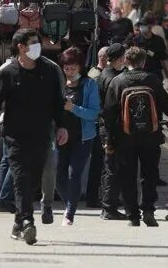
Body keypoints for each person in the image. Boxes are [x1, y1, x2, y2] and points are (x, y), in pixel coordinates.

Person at [0, 29, 69, 245]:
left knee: (31, 182)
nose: (37, 45)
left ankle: (19, 222)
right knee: (21, 178)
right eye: (33, 42)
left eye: (38, 42)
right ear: (21, 46)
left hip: (41, 135)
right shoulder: (8, 73)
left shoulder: (48, 70)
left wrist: (62, 126)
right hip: (15, 137)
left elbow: (57, 102)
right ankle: (28, 221)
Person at [102, 47, 168, 227]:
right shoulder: (152, 79)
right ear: (143, 62)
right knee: (150, 174)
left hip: (124, 137)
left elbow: (108, 114)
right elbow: (166, 104)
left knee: (127, 176)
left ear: (126, 61)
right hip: (150, 136)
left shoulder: (118, 81)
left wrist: (109, 139)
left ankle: (132, 215)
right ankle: (148, 210)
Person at [56, 47, 100, 226]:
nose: (70, 72)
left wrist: (73, 108)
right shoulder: (58, 84)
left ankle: (70, 212)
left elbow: (94, 113)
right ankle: (69, 203)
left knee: (75, 174)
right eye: (66, 68)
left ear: (80, 67)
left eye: (73, 68)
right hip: (60, 136)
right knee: (59, 175)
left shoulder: (89, 85)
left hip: (83, 136)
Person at [96, 44, 128, 220]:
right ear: (119, 58)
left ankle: (106, 203)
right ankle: (109, 207)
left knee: (108, 167)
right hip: (111, 128)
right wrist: (109, 136)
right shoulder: (113, 78)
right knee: (112, 168)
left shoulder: (105, 75)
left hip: (106, 127)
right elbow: (109, 109)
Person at [84, 46, 109, 209]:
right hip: (96, 123)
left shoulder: (94, 73)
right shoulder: (95, 75)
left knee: (99, 163)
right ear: (104, 58)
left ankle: (95, 196)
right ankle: (93, 197)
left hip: (97, 122)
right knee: (98, 163)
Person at [129, 19, 168, 84]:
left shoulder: (158, 40)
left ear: (150, 26)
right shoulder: (136, 40)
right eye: (141, 26)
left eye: (144, 26)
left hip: (155, 72)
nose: (142, 28)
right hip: (141, 73)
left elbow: (164, 58)